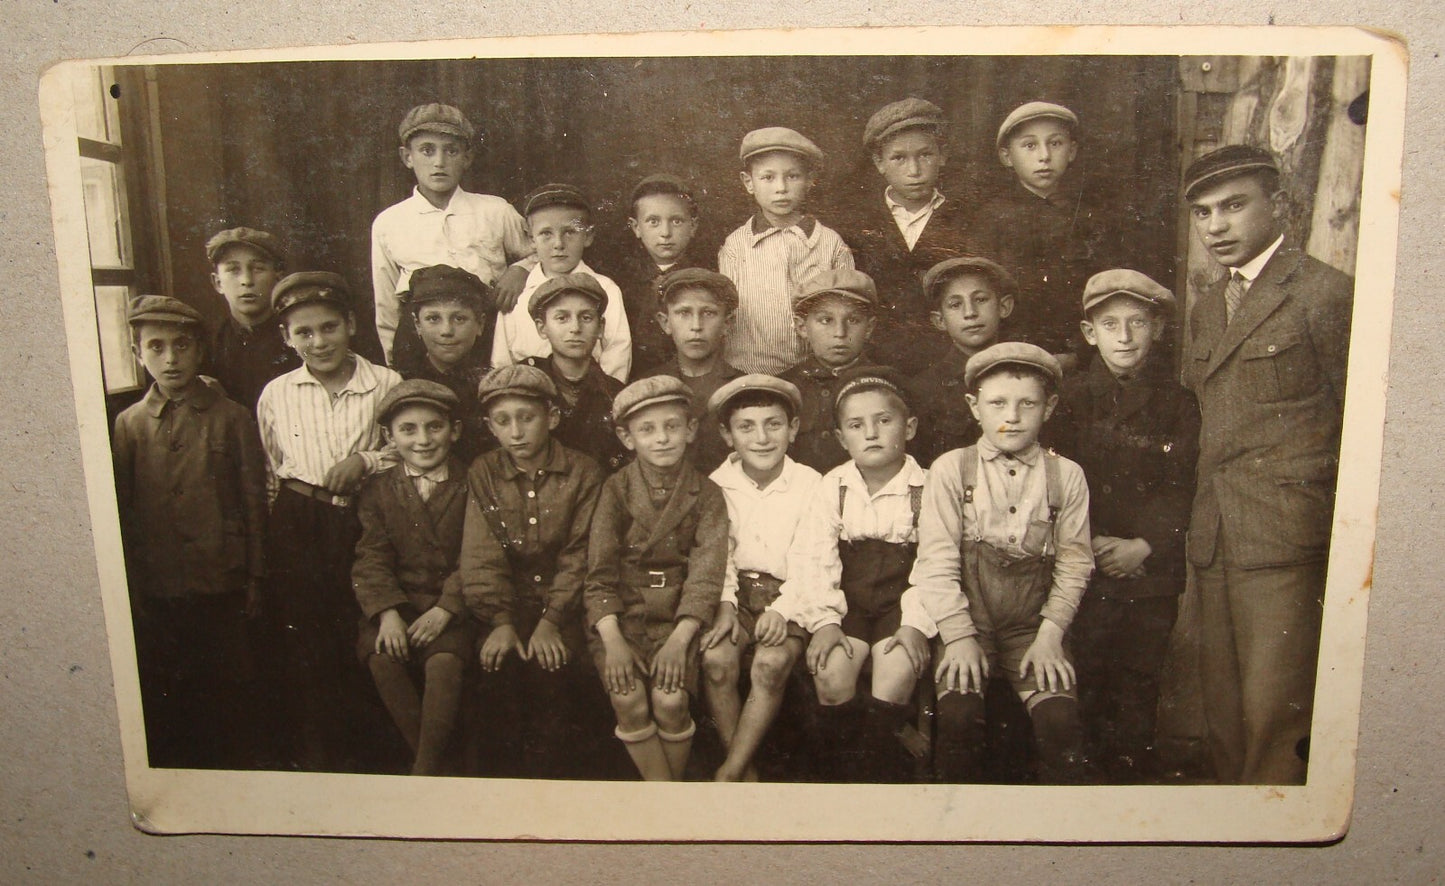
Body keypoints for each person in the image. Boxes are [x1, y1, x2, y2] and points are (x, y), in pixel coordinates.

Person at [1180, 144, 1353, 785]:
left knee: (1276, 721)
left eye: (1233, 206)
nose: (1216, 226)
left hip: (1287, 538)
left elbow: (1361, 424)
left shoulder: (1324, 295)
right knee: (1222, 719)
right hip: (1217, 538)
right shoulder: (1206, 310)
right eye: (1202, 213)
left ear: (1278, 205)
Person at [910, 342, 1094, 784]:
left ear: (1048, 407)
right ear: (975, 407)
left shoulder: (1066, 475)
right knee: (957, 716)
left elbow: (1074, 563)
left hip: (1033, 628)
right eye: (997, 403)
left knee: (1059, 722)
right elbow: (935, 561)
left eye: (1027, 403)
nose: (1011, 416)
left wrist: (1051, 637)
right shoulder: (952, 469)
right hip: (967, 621)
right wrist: (957, 638)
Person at [1052, 269, 1199, 782]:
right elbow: (1058, 480)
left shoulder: (1179, 403)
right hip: (1084, 563)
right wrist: (1088, 542)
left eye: (1138, 322)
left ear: (1157, 329)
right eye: (1110, 324)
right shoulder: (1067, 400)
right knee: (1087, 675)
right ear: (1090, 333)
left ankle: (1131, 783)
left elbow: (1181, 483)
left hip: (1148, 571)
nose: (1125, 336)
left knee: (1140, 680)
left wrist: (1145, 544)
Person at [255, 271, 403, 770]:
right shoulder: (277, 392)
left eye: (329, 328)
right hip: (299, 521)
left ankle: (376, 751)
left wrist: (364, 461)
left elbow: (404, 447)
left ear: (352, 325)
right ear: (286, 338)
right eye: (304, 333)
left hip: (364, 521)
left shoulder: (386, 383)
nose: (318, 342)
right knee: (308, 638)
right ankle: (321, 754)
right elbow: (270, 466)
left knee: (360, 629)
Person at [112, 295, 266, 769]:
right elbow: (124, 512)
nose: (171, 358)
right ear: (138, 354)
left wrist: (256, 577)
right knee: (173, 691)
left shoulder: (233, 417)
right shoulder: (129, 425)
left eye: (182, 346)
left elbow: (254, 503)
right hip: (159, 585)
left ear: (200, 351)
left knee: (229, 689)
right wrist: (133, 585)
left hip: (222, 580)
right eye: (155, 347)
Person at [774, 370, 935, 783]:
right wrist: (826, 623)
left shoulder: (927, 487)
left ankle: (877, 772)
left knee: (897, 670)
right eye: (856, 425)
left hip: (903, 603)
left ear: (910, 427)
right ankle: (841, 774)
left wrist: (916, 625)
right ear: (842, 439)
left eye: (884, 421)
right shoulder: (835, 487)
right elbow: (814, 557)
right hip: (850, 602)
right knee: (831, 671)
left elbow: (935, 562)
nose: (872, 434)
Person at [460, 365, 606, 778]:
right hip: (506, 604)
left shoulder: (583, 471)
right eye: (503, 421)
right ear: (489, 426)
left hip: (566, 606)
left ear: (552, 418)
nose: (517, 432)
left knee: (557, 676)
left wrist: (552, 620)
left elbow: (581, 553)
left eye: (528, 417)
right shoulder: (484, 471)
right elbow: (480, 554)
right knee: (494, 672)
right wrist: (500, 621)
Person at [583, 376, 729, 780]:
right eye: (646, 430)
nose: (662, 438)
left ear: (691, 430)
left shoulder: (707, 494)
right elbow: (598, 574)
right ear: (626, 438)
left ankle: (667, 796)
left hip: (677, 622)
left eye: (672, 426)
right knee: (628, 700)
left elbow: (704, 576)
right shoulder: (615, 490)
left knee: (670, 702)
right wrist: (612, 641)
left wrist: (680, 641)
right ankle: (666, 799)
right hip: (621, 620)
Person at [699, 375, 822, 782]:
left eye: (773, 424)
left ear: (793, 428)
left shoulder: (811, 484)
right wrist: (726, 605)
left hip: (790, 594)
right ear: (726, 434)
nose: (762, 437)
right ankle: (746, 770)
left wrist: (783, 609)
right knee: (717, 661)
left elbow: (811, 557)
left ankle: (730, 771)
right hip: (732, 594)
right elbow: (720, 556)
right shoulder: (716, 485)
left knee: (770, 663)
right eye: (746, 427)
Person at [351, 380, 475, 776]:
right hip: (399, 605)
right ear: (389, 436)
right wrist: (387, 613)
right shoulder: (378, 489)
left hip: (452, 607)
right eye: (408, 429)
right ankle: (431, 762)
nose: (423, 440)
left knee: (444, 661)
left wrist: (447, 608)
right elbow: (371, 557)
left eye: (434, 427)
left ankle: (425, 770)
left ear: (454, 431)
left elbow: (477, 556)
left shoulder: (473, 482)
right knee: (383, 657)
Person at [371, 103, 531, 368]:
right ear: (407, 157)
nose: (439, 162)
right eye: (427, 150)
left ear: (467, 158)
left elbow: (540, 252)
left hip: (488, 334)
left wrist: (521, 269)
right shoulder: (389, 222)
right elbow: (386, 303)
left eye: (451, 151)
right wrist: (394, 364)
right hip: (422, 343)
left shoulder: (495, 210)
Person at [842, 98, 978, 375]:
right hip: (875, 362)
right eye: (899, 158)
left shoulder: (968, 220)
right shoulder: (854, 224)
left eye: (925, 155)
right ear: (880, 163)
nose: (914, 170)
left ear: (943, 155)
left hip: (951, 365)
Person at [974, 102, 1113, 366]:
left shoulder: (1092, 217)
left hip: (1082, 354)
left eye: (1055, 144)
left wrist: (1079, 353)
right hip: (1011, 354)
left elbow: (1106, 295)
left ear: (1072, 151)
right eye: (1030, 145)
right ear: (1006, 156)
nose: (1044, 156)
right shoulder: (991, 220)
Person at [719, 127, 855, 374]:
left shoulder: (830, 243)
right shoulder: (735, 246)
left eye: (792, 176)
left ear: (810, 180)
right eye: (768, 177)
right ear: (748, 182)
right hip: (750, 371)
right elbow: (726, 315)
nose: (781, 188)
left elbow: (848, 310)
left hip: (817, 372)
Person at [491, 183, 632, 381]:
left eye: (569, 232)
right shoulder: (519, 292)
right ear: (531, 239)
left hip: (590, 398)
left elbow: (617, 354)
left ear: (588, 236)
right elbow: (502, 360)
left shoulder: (606, 288)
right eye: (546, 234)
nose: (558, 244)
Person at [910, 256, 1018, 466]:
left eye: (980, 300)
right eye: (955, 304)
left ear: (1004, 307)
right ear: (939, 320)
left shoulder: (1026, 377)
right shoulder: (924, 389)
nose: (970, 313)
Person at [520, 273, 629, 473]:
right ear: (542, 327)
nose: (575, 328)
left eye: (586, 317)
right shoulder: (524, 384)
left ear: (600, 327)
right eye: (562, 318)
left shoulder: (616, 394)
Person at [641, 267, 744, 473]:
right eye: (684, 313)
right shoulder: (646, 386)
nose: (696, 326)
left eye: (708, 313)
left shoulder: (742, 388)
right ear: (665, 322)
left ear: (727, 323)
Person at [779, 269, 881, 474]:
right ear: (802, 327)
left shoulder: (885, 384)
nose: (840, 333)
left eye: (853, 320)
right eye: (826, 320)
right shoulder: (783, 388)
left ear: (869, 328)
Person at [393, 264, 495, 465]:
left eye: (459, 318)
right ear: (417, 325)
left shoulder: (492, 385)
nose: (446, 330)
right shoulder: (400, 383)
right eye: (433, 318)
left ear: (480, 324)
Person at [617, 173, 709, 375]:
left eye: (676, 221)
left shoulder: (705, 281)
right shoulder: (622, 285)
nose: (665, 232)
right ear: (636, 227)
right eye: (653, 222)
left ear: (692, 226)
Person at [203, 226, 299, 414]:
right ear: (217, 282)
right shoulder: (209, 344)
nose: (247, 280)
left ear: (278, 278)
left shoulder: (297, 337)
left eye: (258, 268)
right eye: (233, 270)